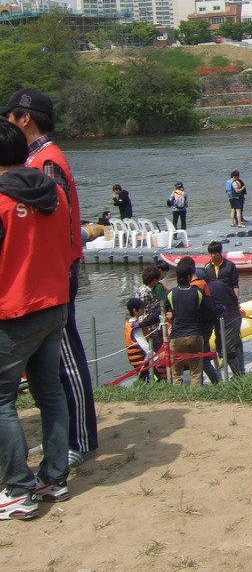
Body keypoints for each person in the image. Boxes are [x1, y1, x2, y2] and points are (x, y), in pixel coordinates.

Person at [2, 88, 97, 469]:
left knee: (68, 359)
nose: (7, 123)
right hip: (53, 271)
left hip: (55, 273)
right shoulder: (38, 159)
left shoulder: (47, 162)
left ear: (25, 118)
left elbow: (58, 218)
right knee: (54, 364)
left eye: (9, 116)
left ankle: (82, 438)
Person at [0, 118, 73, 520]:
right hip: (54, 304)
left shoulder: (1, 201)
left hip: (13, 311)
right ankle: (54, 477)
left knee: (2, 401)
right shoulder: (55, 193)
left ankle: (18, 489)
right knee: (50, 393)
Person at [164, 258, 219, 386]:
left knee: (177, 374)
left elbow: (159, 311)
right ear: (190, 276)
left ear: (177, 277)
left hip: (177, 337)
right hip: (195, 336)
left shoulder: (170, 294)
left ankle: (178, 399)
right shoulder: (198, 292)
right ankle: (196, 398)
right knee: (196, 372)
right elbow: (211, 309)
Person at [123, 298, 162, 383]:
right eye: (141, 308)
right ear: (135, 311)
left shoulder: (128, 323)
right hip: (142, 360)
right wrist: (154, 356)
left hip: (136, 361)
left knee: (143, 379)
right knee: (156, 379)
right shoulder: (135, 327)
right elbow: (142, 343)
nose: (143, 309)